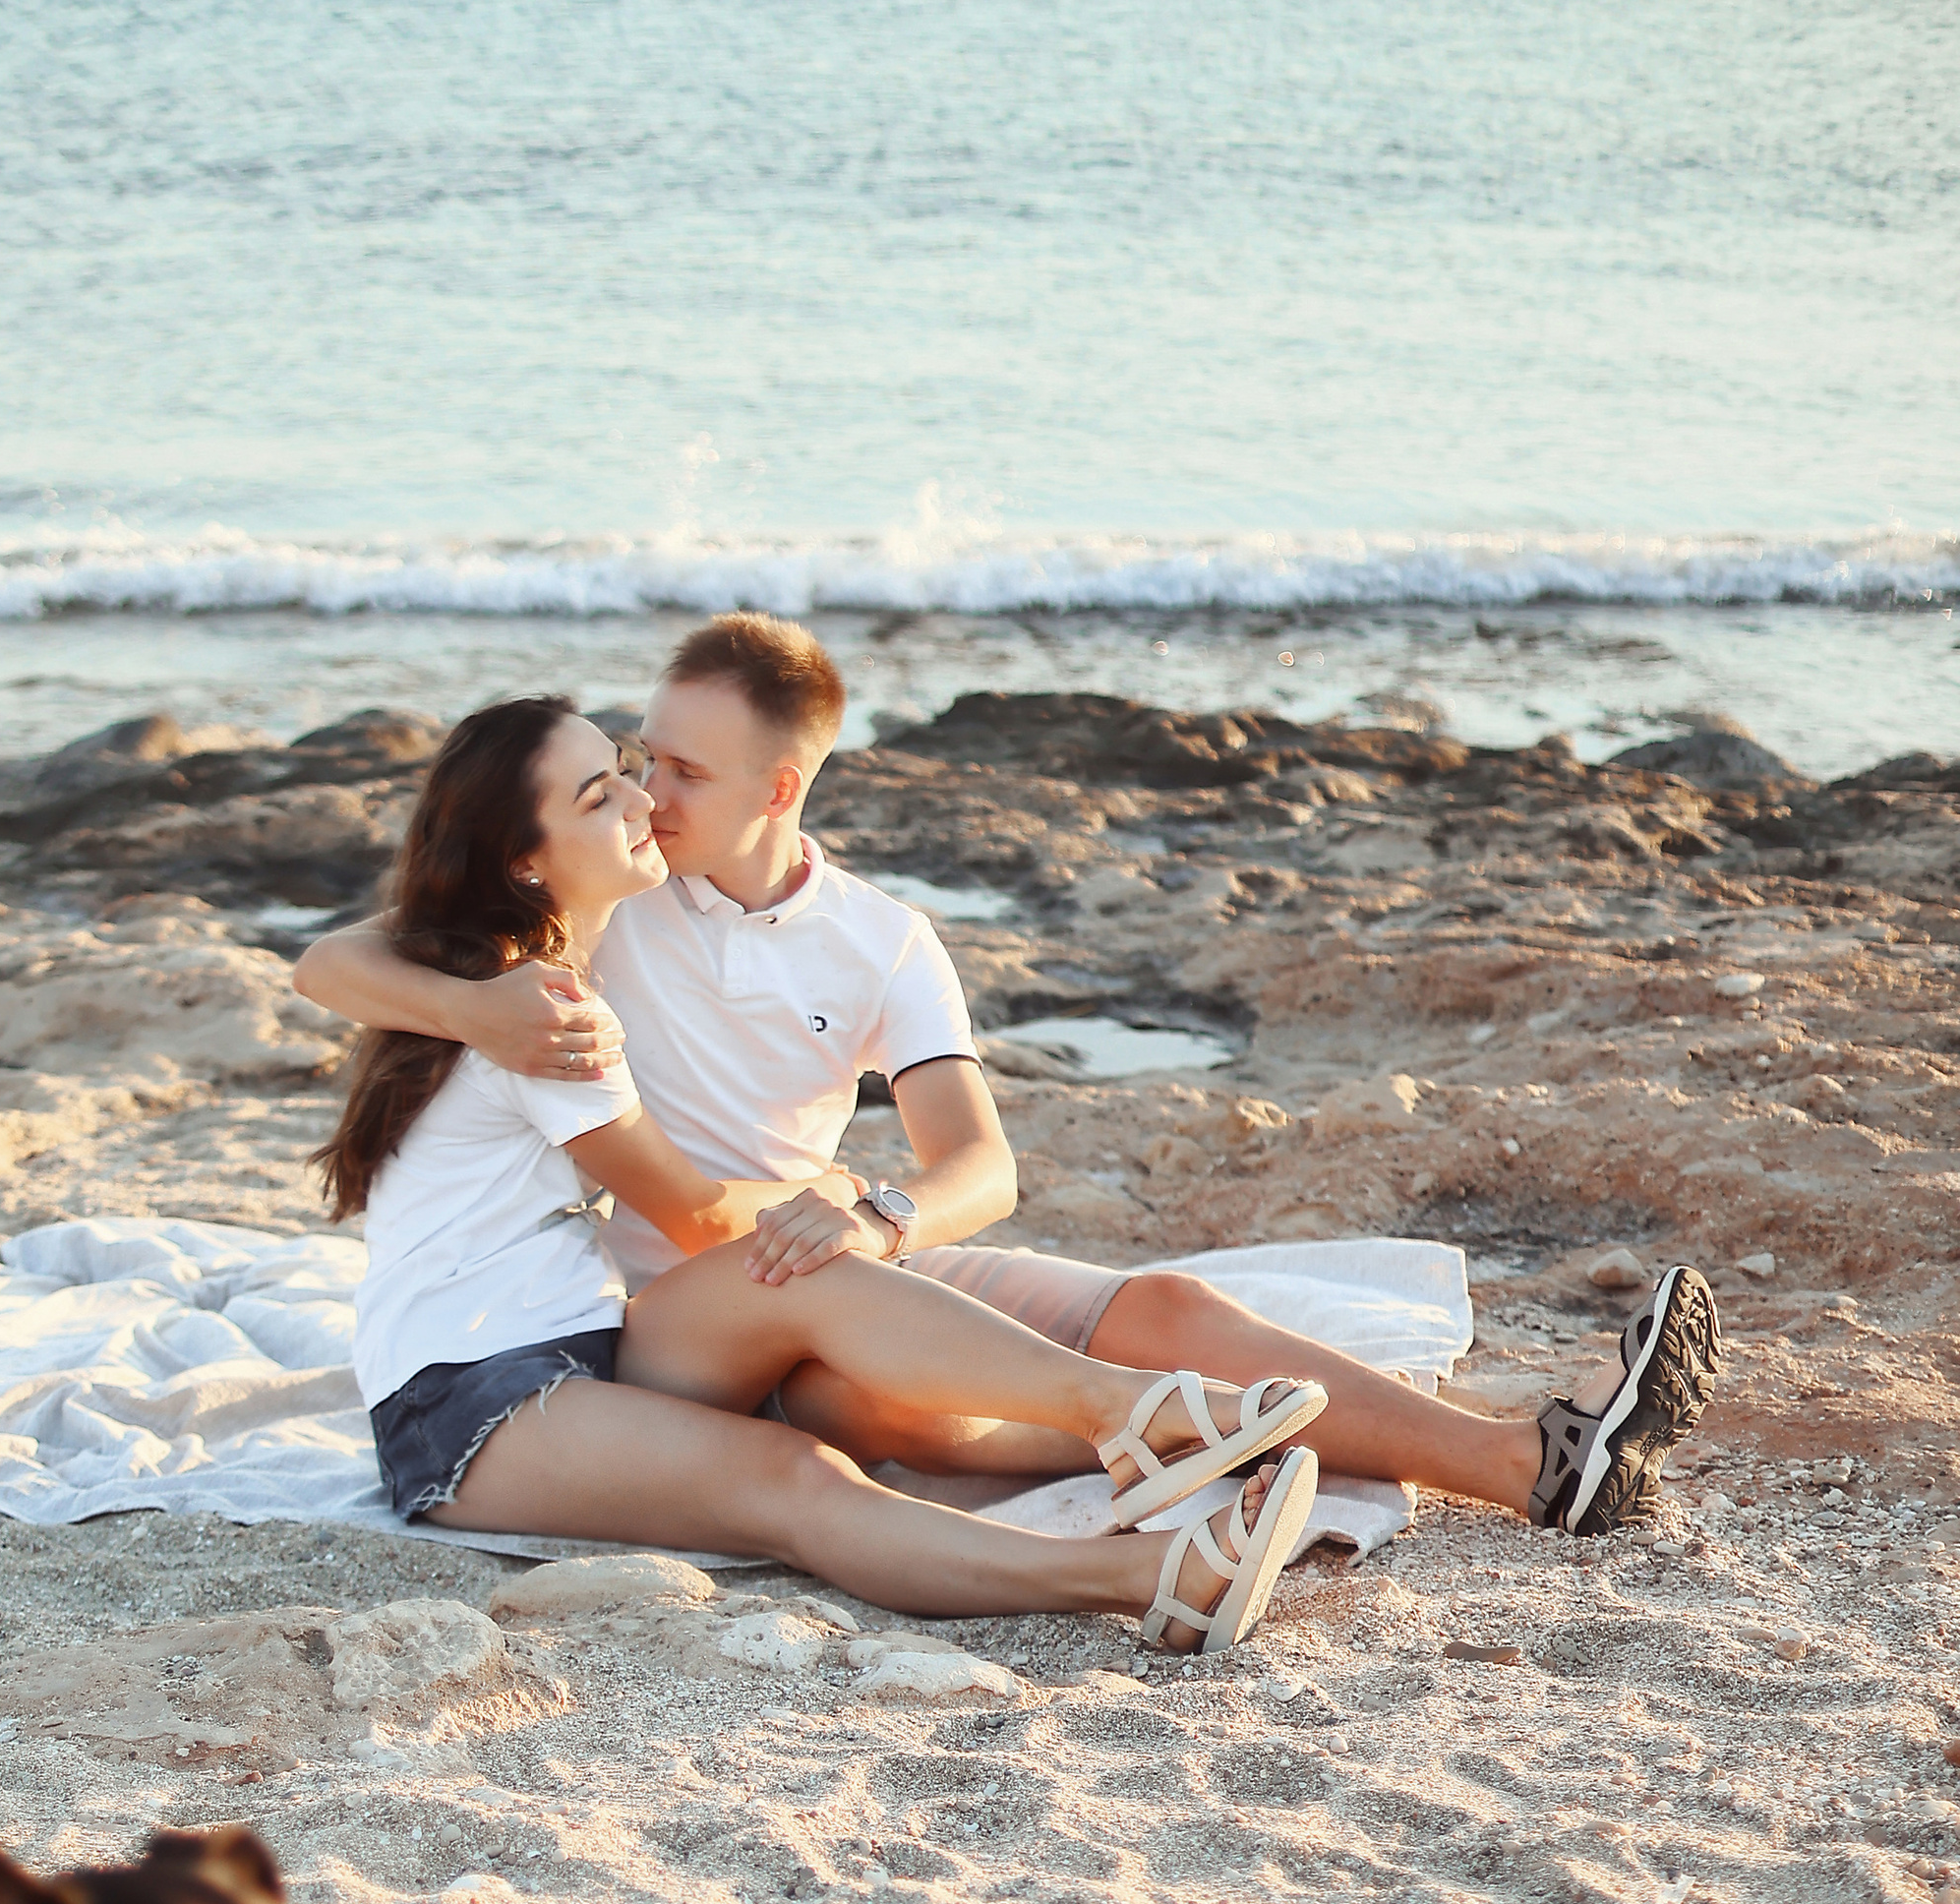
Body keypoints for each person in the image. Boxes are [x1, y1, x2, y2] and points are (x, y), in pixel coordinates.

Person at [298, 613, 1722, 1532]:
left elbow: (980, 1166)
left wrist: (883, 1218)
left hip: (830, 1248)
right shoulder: (609, 896)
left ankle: (1542, 1462)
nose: (648, 794)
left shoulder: (881, 941)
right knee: (894, 1408)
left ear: (778, 789)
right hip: (689, 1316)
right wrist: (478, 1014)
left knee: (1166, 1307)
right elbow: (339, 960)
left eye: (682, 772)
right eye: (639, 760)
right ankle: (1205, 1443)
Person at [315, 693, 1327, 1654]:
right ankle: (1148, 1573)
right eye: (598, 796)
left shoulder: (508, 971)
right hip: (460, 1404)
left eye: (625, 768)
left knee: (799, 1269)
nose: (642, 799)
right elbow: (701, 1217)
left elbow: (342, 953)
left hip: (587, 1344)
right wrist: (841, 1195)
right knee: (793, 1471)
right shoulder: (546, 1017)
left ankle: (1126, 1412)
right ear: (525, 864)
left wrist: (845, 1213)